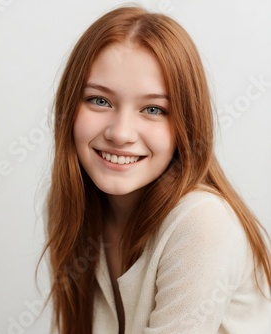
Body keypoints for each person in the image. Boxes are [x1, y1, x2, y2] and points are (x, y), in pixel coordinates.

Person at [39, 5, 271, 334]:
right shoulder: (72, 202)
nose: (120, 133)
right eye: (99, 101)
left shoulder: (201, 223)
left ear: (185, 125)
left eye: (153, 109)